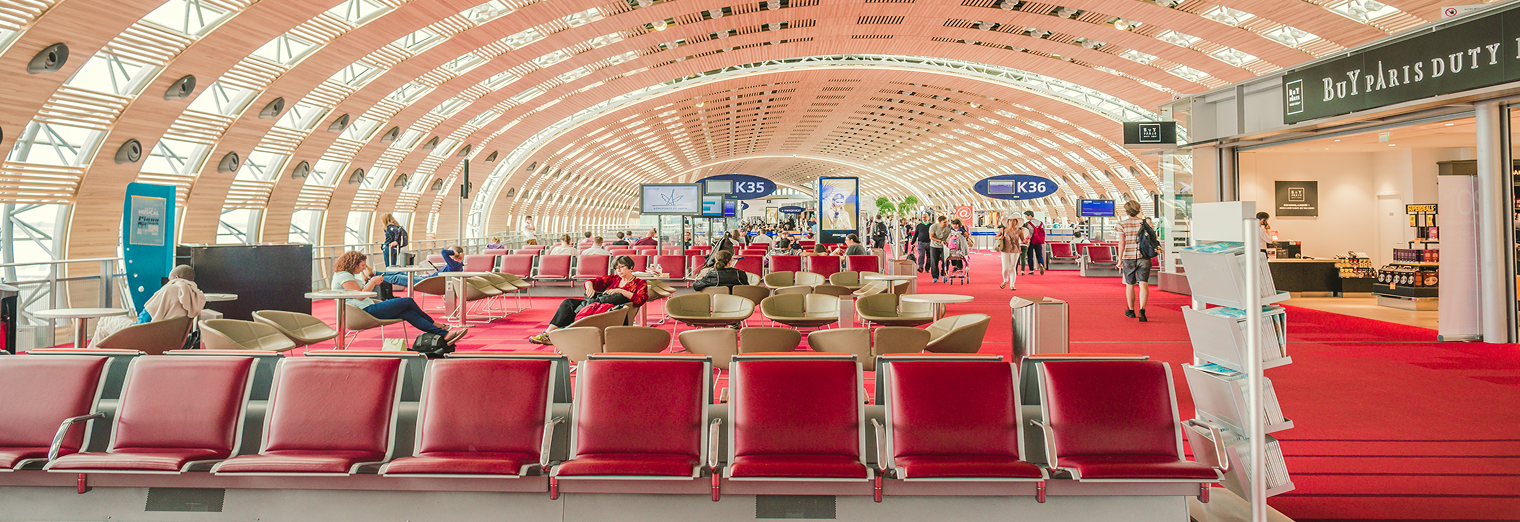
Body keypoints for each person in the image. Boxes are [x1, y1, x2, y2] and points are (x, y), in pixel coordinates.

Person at [332, 251, 467, 345]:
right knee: (407, 301)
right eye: (361, 266)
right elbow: (359, 297)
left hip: (366, 309)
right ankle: (436, 325)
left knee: (409, 313)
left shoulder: (343, 275)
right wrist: (372, 282)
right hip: (365, 311)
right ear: (353, 264)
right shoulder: (344, 276)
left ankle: (444, 334)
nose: (362, 269)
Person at [528, 256, 647, 345]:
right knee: (568, 302)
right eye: (616, 268)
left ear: (631, 267)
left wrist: (620, 291)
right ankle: (549, 333)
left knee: (592, 303)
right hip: (596, 307)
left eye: (622, 267)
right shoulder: (613, 279)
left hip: (611, 312)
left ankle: (572, 324)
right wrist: (589, 287)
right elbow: (590, 281)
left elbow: (639, 300)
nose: (619, 270)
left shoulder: (640, 283)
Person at [91, 264, 208, 346]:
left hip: (146, 338)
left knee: (105, 320)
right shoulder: (196, 296)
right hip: (172, 341)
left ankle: (90, 357)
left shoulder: (170, 290)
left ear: (176, 278)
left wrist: (136, 326)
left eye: (169, 279)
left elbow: (146, 318)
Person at [1116, 200, 1150, 322]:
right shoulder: (1145, 223)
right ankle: (1142, 309)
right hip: (1144, 256)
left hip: (1128, 257)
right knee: (1143, 283)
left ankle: (1131, 310)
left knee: (1130, 284)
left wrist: (1119, 258)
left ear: (1126, 211)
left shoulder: (1121, 224)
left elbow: (1122, 242)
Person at [994, 217, 1024, 290]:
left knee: (1013, 267)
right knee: (1005, 268)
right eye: (1011, 220)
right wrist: (1000, 238)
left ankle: (1012, 285)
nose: (1012, 222)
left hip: (1015, 250)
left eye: (1014, 221)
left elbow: (1023, 240)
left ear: (1016, 222)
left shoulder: (1019, 231)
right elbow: (996, 237)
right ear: (1008, 222)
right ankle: (1005, 280)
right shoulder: (1003, 230)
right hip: (1005, 250)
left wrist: (1026, 241)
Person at [1022, 210, 1046, 275]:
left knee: (1030, 255)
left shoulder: (1028, 224)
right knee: (1039, 255)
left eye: (1026, 216)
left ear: (1030, 216)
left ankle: (1031, 270)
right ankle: (1041, 264)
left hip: (1032, 241)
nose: (1026, 218)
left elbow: (1029, 233)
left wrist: (1028, 241)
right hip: (1039, 241)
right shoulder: (1041, 223)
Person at [929, 215, 950, 282]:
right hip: (934, 246)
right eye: (944, 222)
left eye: (946, 222)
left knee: (946, 261)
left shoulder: (949, 227)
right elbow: (931, 237)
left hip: (945, 246)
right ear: (939, 222)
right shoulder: (933, 227)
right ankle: (935, 277)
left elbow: (953, 233)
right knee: (934, 262)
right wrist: (940, 241)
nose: (946, 223)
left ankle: (943, 273)